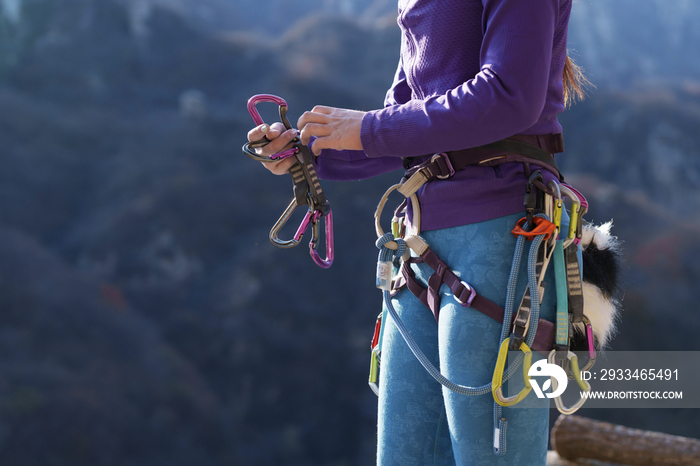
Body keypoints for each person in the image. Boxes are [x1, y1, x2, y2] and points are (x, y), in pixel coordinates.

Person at [247, 0, 586, 464]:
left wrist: (366, 129)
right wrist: (312, 155)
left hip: (504, 234)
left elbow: (510, 94)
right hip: (421, 252)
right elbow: (409, 125)